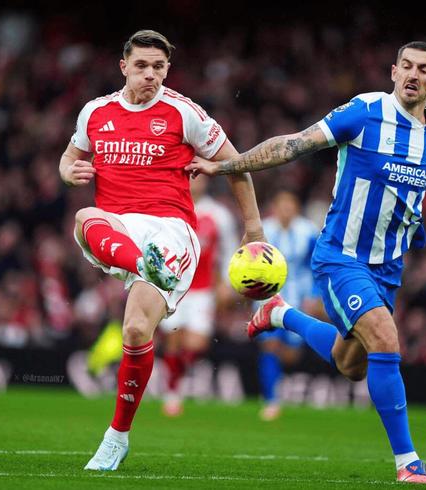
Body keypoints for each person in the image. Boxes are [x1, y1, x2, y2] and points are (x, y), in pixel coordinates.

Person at [186, 41, 426, 485]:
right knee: (385, 337)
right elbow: (295, 144)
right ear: (393, 72)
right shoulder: (365, 112)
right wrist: (227, 166)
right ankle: (408, 462)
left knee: (351, 365)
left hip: (388, 267)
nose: (413, 75)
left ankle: (281, 314)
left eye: (423, 69)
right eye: (406, 66)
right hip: (341, 257)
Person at [59, 30, 264, 471]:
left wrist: (253, 227)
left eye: (158, 67)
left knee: (136, 330)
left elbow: (238, 164)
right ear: (124, 67)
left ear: (167, 69)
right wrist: (68, 171)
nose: (150, 74)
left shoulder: (184, 112)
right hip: (119, 229)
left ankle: (116, 437)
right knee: (84, 216)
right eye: (141, 66)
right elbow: (68, 158)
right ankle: (142, 265)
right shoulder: (95, 112)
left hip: (169, 231)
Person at [159, 174, 238, 417]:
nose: (195, 182)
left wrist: (226, 283)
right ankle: (172, 393)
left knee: (196, 343)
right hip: (172, 287)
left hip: (203, 290)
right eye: (191, 178)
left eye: (199, 178)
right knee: (173, 339)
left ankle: (176, 382)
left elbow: (230, 249)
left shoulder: (218, 214)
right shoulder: (169, 208)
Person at [255, 189, 321, 421]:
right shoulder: (263, 230)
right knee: (270, 345)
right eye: (282, 205)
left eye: (290, 205)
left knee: (291, 354)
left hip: (299, 296)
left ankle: (277, 384)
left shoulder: (308, 231)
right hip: (269, 295)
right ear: (275, 207)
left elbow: (318, 264)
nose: (286, 210)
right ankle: (271, 400)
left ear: (296, 208)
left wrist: (314, 295)